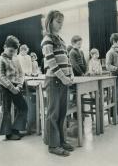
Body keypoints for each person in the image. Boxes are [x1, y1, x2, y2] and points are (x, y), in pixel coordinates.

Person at [41, 10, 74, 157]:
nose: (61, 25)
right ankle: (53, 145)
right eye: (58, 22)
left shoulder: (60, 39)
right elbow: (52, 63)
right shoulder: (47, 39)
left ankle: (61, 140)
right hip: (54, 80)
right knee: (53, 114)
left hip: (63, 80)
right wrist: (63, 77)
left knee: (62, 113)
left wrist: (70, 74)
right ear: (50, 22)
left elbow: (67, 59)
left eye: (62, 22)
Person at [0, 35, 28, 140]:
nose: (12, 54)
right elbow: (0, 76)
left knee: (23, 107)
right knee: (7, 111)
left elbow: (21, 73)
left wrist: (19, 85)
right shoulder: (0, 60)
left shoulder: (15, 59)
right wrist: (11, 88)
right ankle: (8, 134)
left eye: (14, 52)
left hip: (16, 87)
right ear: (4, 47)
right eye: (10, 51)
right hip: (6, 88)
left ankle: (16, 129)